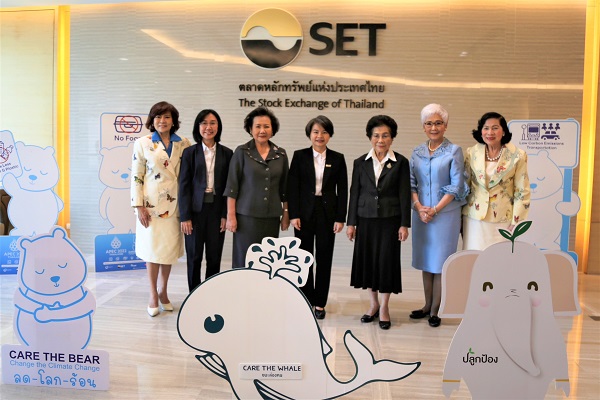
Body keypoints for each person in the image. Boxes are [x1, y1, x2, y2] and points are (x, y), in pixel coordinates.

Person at [346, 115, 411, 330]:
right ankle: (373, 304)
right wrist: (351, 223)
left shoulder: (401, 162)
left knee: (386, 262)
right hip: (365, 219)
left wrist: (404, 224)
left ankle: (384, 307)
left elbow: (404, 195)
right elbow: (354, 193)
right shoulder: (360, 162)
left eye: (385, 136)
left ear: (392, 138)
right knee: (368, 262)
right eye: (376, 136)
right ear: (370, 137)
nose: (380, 140)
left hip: (390, 220)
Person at [409, 104, 468, 328]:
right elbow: (411, 183)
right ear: (423, 127)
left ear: (445, 125)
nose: (433, 128)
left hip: (445, 215)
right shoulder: (416, 152)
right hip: (421, 213)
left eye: (438, 123)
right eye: (429, 123)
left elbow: (456, 185)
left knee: (440, 262)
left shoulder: (454, 151)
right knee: (426, 261)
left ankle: (436, 310)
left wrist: (434, 210)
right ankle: (426, 305)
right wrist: (419, 207)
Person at [131, 101, 191, 317]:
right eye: (158, 117)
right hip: (151, 207)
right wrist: (138, 205)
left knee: (168, 251)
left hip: (175, 206)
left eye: (166, 117)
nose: (162, 121)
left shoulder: (184, 143)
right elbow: (137, 176)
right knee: (152, 250)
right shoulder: (143, 143)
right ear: (152, 120)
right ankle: (152, 295)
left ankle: (163, 291)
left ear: (173, 120)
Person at [288, 115, 348, 320]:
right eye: (315, 132)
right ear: (309, 134)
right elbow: (292, 187)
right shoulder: (299, 156)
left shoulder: (338, 158)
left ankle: (320, 303)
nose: (319, 136)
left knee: (324, 258)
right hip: (303, 214)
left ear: (329, 135)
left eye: (324, 132)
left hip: (327, 214)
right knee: (304, 258)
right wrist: (293, 214)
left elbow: (343, 190)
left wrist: (340, 218)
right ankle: (306, 299)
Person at [225, 107, 290, 269]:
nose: (262, 130)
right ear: (250, 129)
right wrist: (231, 216)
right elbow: (232, 186)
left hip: (271, 217)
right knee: (245, 260)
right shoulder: (242, 152)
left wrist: (286, 213)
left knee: (268, 262)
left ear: (272, 129)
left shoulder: (280, 154)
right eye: (258, 126)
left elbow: (285, 188)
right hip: (246, 218)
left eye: (266, 126)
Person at [179, 109, 233, 292]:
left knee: (214, 257)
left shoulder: (227, 153)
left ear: (218, 127)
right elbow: (183, 186)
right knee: (194, 256)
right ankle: (194, 294)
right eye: (204, 123)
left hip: (217, 211)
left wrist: (225, 214)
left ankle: (210, 294)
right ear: (198, 127)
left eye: (212, 123)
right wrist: (185, 216)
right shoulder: (189, 153)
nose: (208, 127)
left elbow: (229, 187)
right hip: (195, 212)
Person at [462, 111, 530, 250]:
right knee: (473, 256)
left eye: (495, 128)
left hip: (503, 219)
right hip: (474, 218)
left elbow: (522, 190)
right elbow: (465, 185)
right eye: (486, 128)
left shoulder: (518, 155)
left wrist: (516, 220)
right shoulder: (471, 153)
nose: (490, 132)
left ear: (503, 131)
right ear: (481, 131)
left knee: (499, 256)